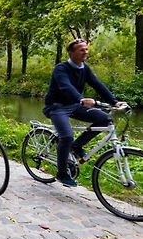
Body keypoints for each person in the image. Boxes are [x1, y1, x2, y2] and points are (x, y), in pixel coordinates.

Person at [43, 38, 127, 187]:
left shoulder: (84, 68)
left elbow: (98, 85)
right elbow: (65, 87)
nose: (85, 52)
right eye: (82, 50)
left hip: (75, 105)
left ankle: (77, 146)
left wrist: (114, 102)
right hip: (56, 106)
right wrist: (81, 99)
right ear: (71, 53)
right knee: (67, 136)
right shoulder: (61, 68)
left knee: (105, 119)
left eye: (86, 49)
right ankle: (62, 173)